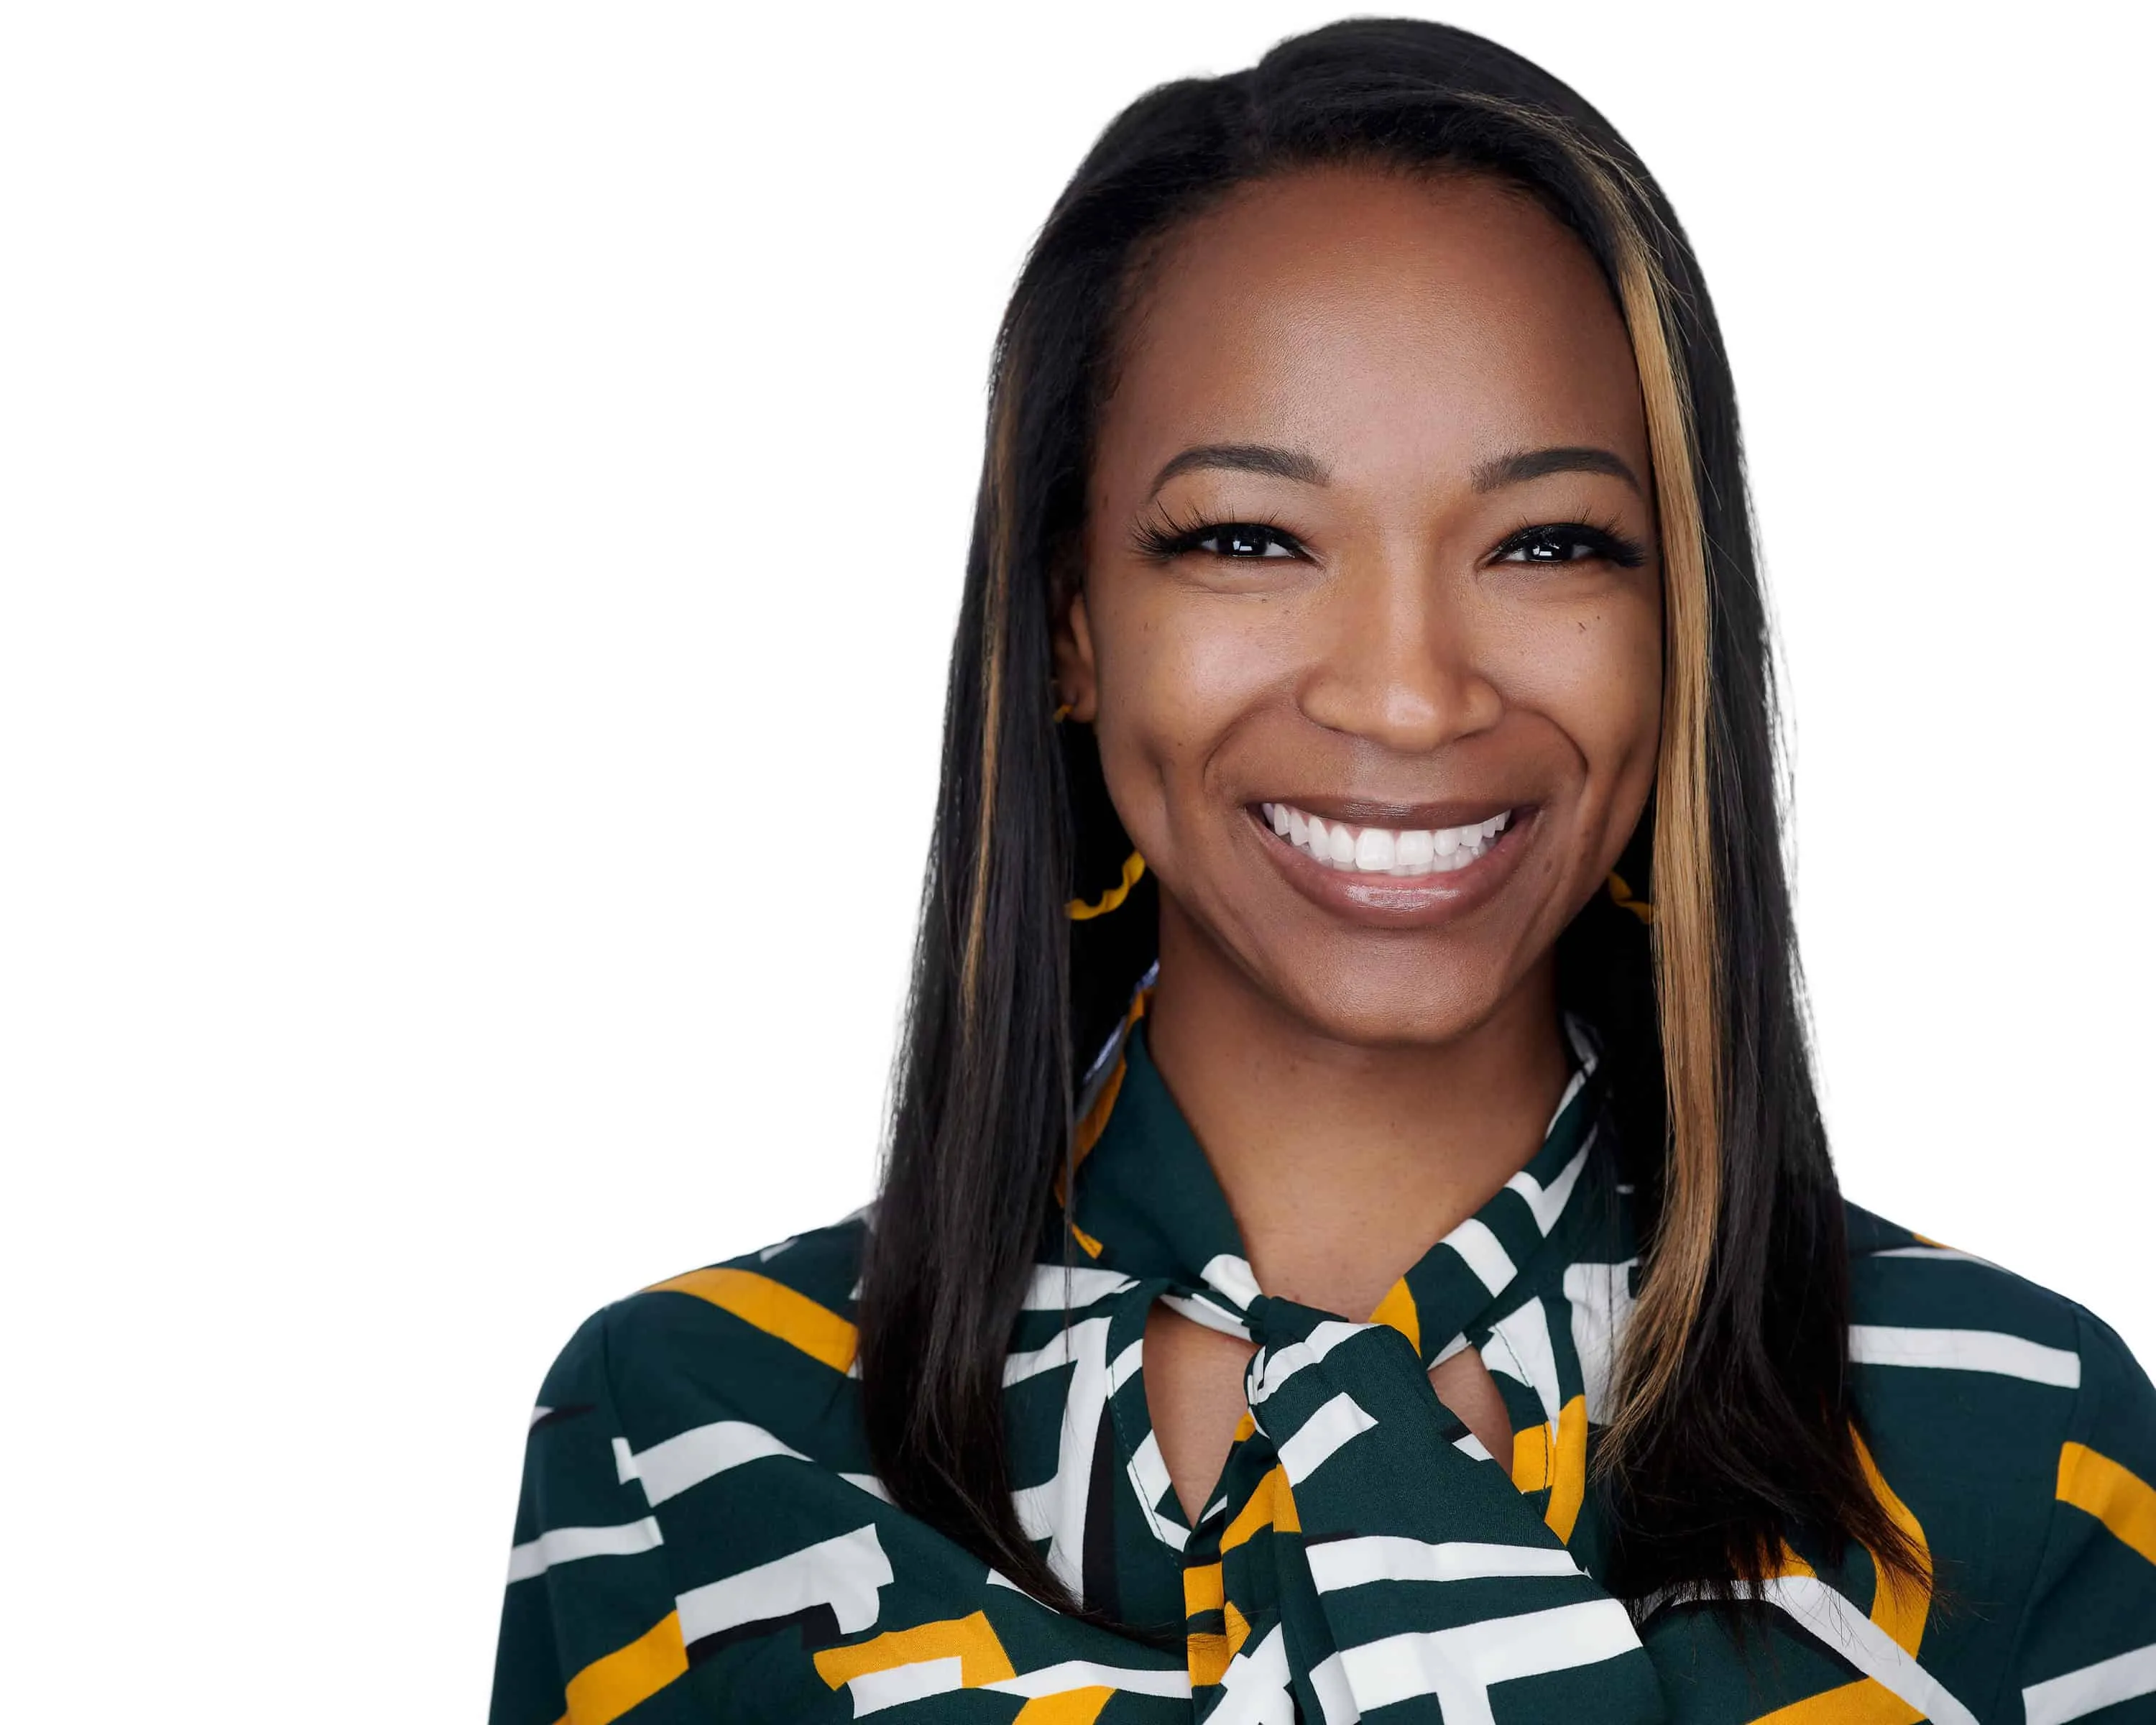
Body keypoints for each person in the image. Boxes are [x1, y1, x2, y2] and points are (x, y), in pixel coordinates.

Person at [488, 19, 2156, 1723]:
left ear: (1680, 626)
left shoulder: (2016, 1446)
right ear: (1071, 626)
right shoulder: (687, 1446)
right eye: (1249, 539)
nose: (1410, 695)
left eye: (1550, 544)